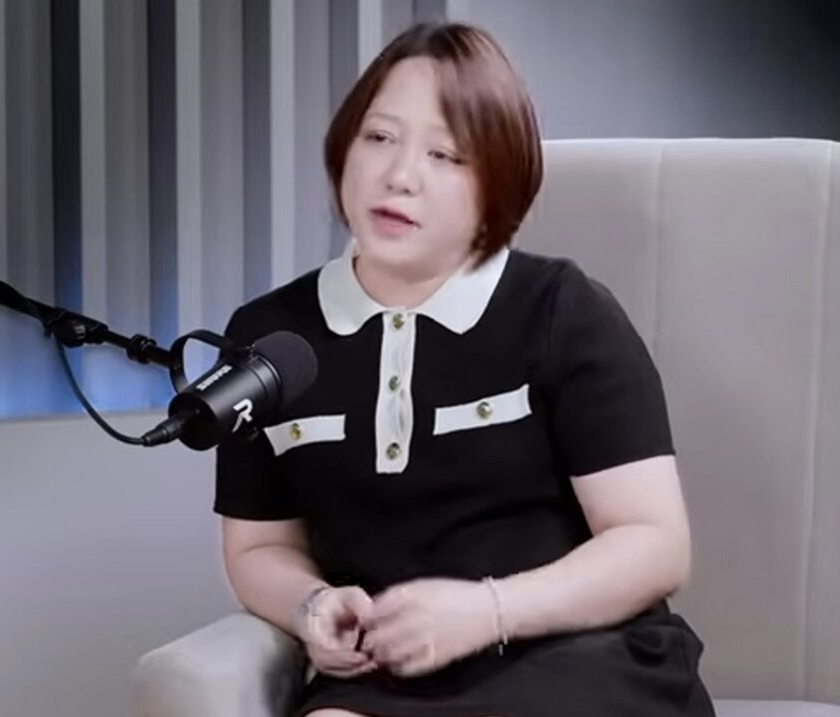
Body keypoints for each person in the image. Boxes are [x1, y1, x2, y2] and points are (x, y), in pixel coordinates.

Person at [213, 21, 715, 717]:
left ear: (496, 184)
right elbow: (260, 545)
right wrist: (312, 604)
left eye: (444, 154)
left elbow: (654, 545)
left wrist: (487, 611)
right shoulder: (269, 336)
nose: (399, 176)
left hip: (585, 658)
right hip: (393, 674)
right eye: (379, 137)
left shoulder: (563, 311)